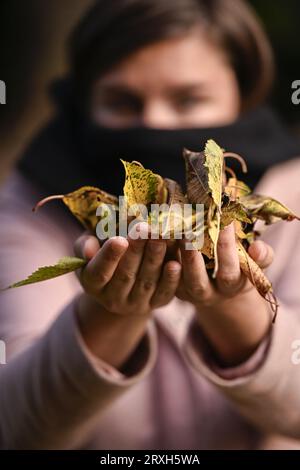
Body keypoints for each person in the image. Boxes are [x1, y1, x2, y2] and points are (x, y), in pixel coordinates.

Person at [0, 0, 300, 450]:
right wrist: (106, 317)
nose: (154, 123)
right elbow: (17, 427)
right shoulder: (34, 195)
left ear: (241, 95)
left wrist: (235, 311)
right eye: (122, 102)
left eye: (188, 100)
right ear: (85, 100)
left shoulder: (289, 192)